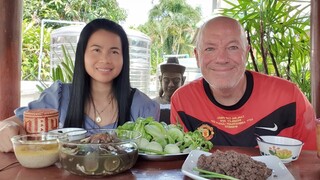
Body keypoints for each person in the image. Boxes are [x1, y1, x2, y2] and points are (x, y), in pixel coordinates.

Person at [0, 18, 160, 153]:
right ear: (82, 54)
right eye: (96, 50)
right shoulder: (59, 97)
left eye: (114, 52)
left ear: (124, 58)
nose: (105, 59)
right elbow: (10, 124)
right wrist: (6, 128)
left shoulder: (142, 106)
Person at [170, 16, 317, 150]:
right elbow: (179, 164)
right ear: (197, 56)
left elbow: (313, 163)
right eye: (210, 49)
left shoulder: (289, 97)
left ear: (246, 53)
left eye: (232, 47)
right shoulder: (183, 101)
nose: (222, 59)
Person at [153, 57, 185, 124]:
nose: (171, 84)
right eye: (166, 80)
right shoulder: (153, 105)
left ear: (182, 81)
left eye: (176, 81)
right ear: (160, 79)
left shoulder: (186, 106)